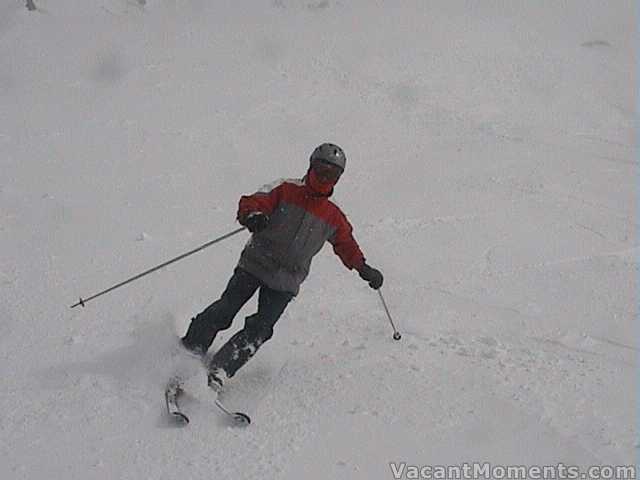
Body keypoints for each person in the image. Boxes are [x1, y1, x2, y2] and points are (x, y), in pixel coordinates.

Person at [180, 143, 384, 391]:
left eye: (332, 174)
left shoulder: (333, 216)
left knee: (261, 328)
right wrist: (253, 214)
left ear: (338, 179)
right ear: (310, 166)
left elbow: (346, 244)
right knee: (226, 308)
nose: (324, 177)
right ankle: (190, 349)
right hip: (256, 262)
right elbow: (254, 201)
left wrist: (363, 268)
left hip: (286, 280)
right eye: (321, 169)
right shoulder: (286, 189)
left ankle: (221, 369)